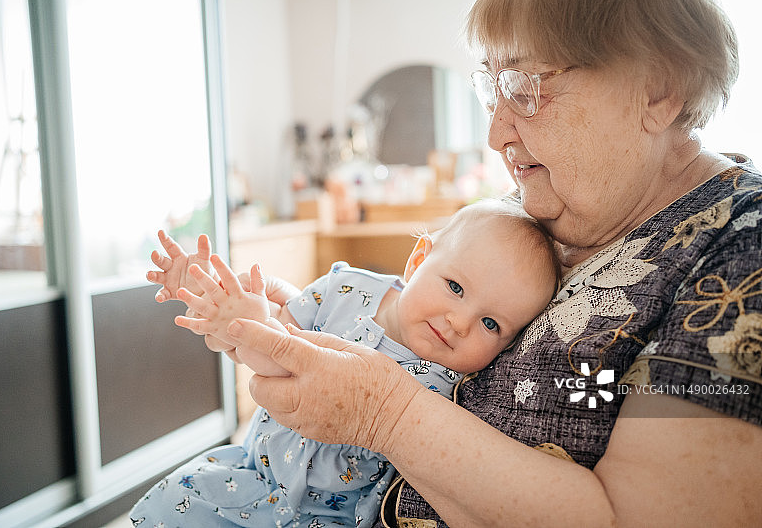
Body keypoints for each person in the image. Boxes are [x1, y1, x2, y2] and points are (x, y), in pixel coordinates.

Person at [199, 0, 762, 526]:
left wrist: (384, 414)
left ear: (658, 90)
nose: (495, 135)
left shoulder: (742, 248)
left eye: (523, 88)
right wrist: (303, 322)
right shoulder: (536, 209)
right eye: (493, 90)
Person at [131, 199, 559, 527]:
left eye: (491, 323)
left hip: (333, 517)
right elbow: (275, 341)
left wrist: (252, 326)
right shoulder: (347, 287)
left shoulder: (454, 383)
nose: (459, 323)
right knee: (174, 501)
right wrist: (226, 307)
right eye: (455, 287)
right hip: (253, 476)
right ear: (417, 260)